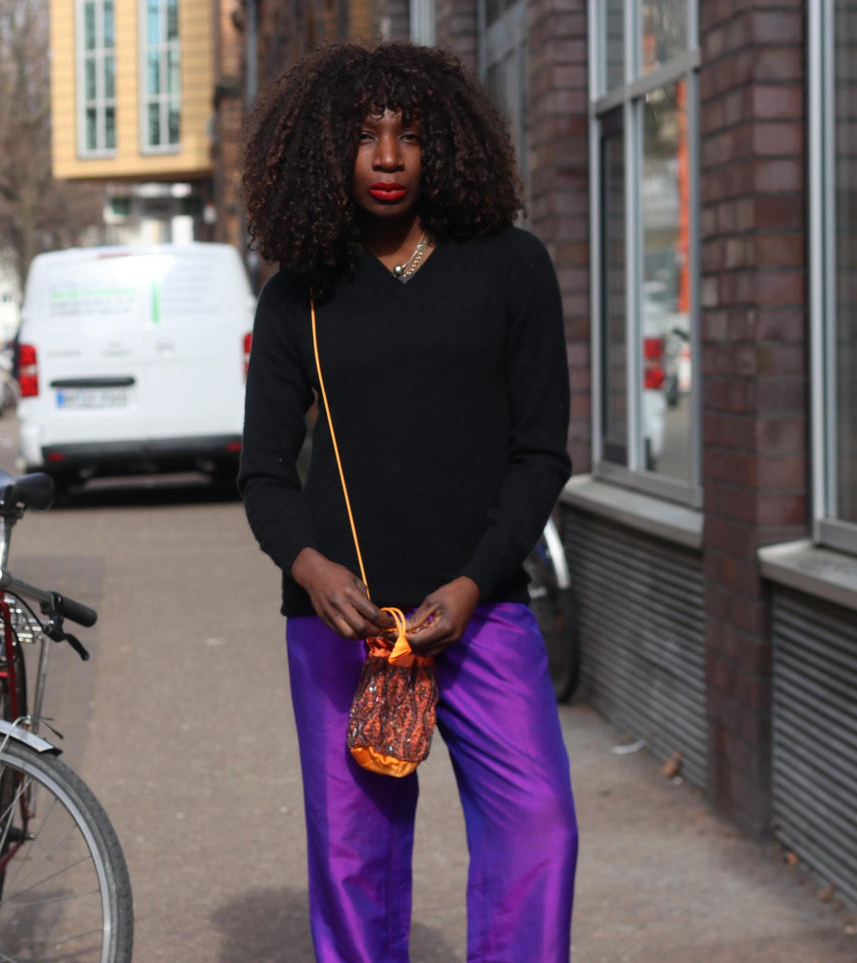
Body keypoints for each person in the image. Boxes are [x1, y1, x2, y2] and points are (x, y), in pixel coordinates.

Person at [237, 41, 578, 963]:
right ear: (324, 148)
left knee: (539, 827)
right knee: (354, 863)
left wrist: (472, 583)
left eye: (411, 134)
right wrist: (310, 569)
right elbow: (263, 471)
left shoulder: (512, 268)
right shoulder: (298, 295)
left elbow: (540, 453)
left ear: (447, 145)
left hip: (481, 611)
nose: (388, 156)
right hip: (343, 628)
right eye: (364, 134)